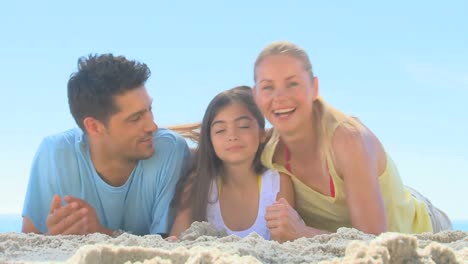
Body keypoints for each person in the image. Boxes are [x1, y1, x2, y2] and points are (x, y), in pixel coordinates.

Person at [252, 41, 452, 242]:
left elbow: (375, 241)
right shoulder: (265, 147)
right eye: (268, 87)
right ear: (256, 96)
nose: (280, 97)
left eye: (292, 83)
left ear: (314, 88)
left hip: (420, 224)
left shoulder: (348, 139)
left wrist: (302, 233)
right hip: (374, 192)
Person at [21, 54, 190, 236]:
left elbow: (170, 245)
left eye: (150, 110)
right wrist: (53, 235)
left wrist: (98, 233)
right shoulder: (55, 154)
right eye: (136, 118)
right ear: (94, 126)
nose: (152, 126)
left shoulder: (169, 150)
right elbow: (30, 240)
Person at [169, 86, 294, 240]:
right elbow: (176, 240)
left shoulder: (278, 182)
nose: (232, 136)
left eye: (243, 126)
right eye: (221, 130)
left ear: (262, 134)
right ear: (210, 140)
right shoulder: (198, 184)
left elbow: (283, 245)